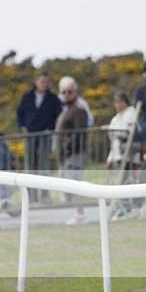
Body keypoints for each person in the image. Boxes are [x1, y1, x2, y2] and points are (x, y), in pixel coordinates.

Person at [16, 71, 63, 202]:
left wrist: (53, 129)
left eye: (47, 82)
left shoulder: (53, 98)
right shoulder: (27, 97)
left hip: (45, 135)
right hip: (30, 135)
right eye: (42, 81)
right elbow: (19, 114)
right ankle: (30, 196)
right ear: (36, 82)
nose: (44, 84)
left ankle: (44, 195)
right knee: (29, 166)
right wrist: (22, 127)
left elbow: (59, 115)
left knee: (44, 165)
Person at [56, 76, 90, 225]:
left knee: (75, 183)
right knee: (70, 183)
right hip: (67, 153)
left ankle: (80, 213)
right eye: (63, 92)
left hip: (75, 153)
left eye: (69, 91)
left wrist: (69, 147)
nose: (66, 94)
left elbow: (79, 132)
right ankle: (77, 212)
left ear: (75, 91)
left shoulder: (79, 109)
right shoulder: (67, 109)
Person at [105, 91, 138, 170]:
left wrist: (111, 129)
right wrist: (109, 159)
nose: (117, 104)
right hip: (117, 148)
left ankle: (119, 161)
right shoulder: (115, 118)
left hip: (130, 144)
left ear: (125, 102)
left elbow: (127, 132)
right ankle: (116, 160)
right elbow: (113, 141)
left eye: (120, 101)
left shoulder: (131, 112)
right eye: (116, 102)